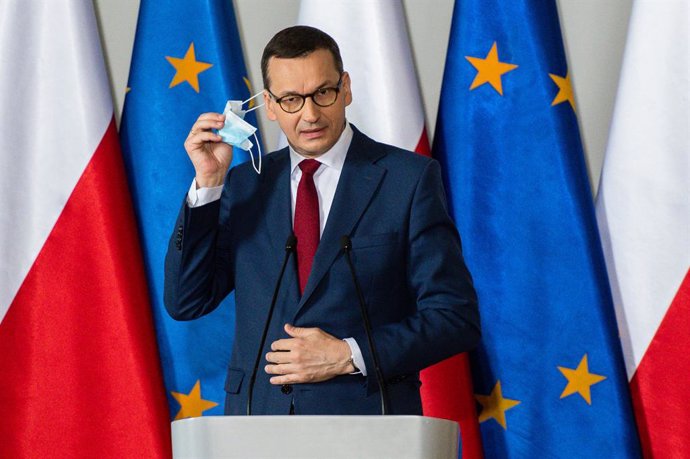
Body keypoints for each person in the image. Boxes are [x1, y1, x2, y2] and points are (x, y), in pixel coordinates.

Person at [164, 25, 480, 415]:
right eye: (292, 99)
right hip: (259, 424)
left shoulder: (407, 180)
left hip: (368, 422)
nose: (310, 114)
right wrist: (209, 184)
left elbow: (454, 317)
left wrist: (349, 354)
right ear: (270, 105)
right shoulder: (246, 184)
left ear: (345, 88)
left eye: (323, 93)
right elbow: (186, 301)